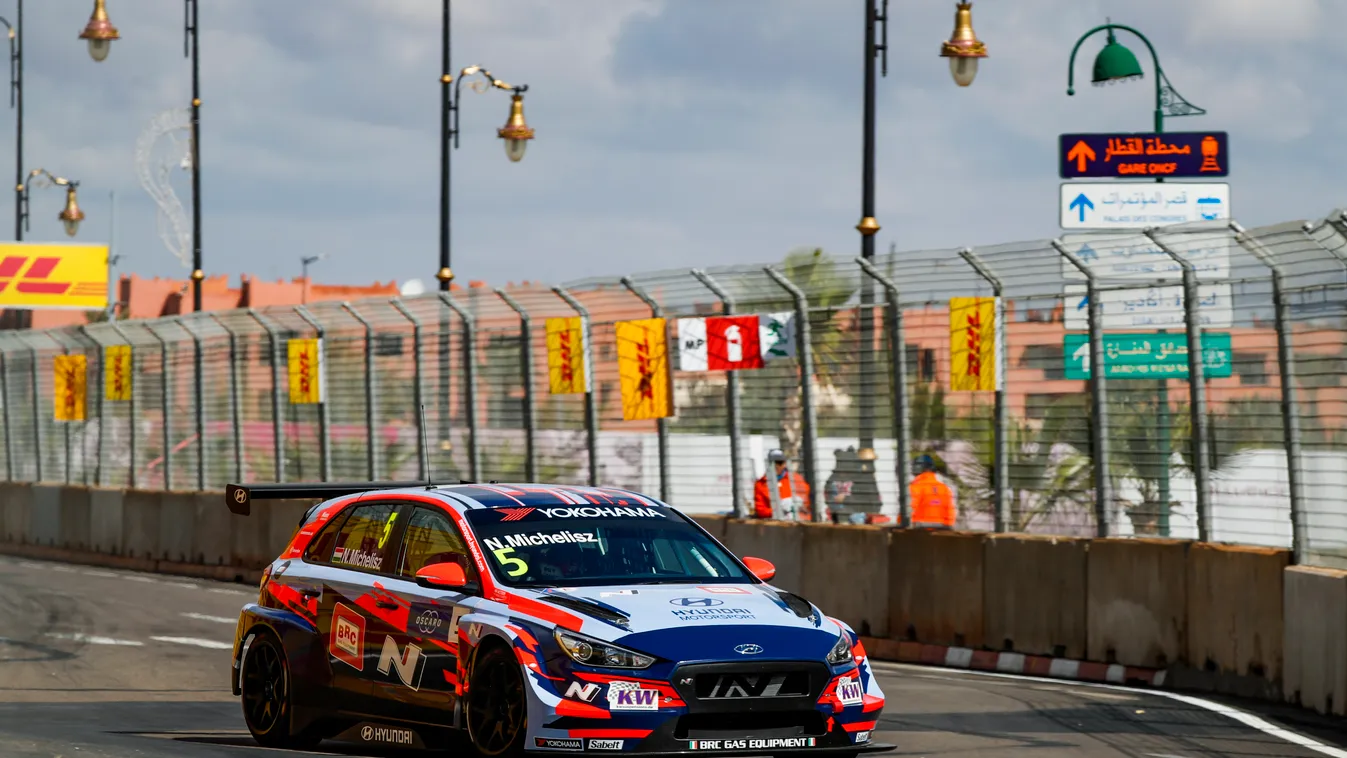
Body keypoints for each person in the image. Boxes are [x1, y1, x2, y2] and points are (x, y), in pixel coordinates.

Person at [753, 449, 811, 520]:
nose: (777, 466)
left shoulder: (796, 479)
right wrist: (779, 511)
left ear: (785, 463)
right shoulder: (761, 484)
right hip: (775, 523)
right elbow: (761, 510)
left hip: (799, 521)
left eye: (780, 462)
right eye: (773, 463)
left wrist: (799, 506)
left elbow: (809, 502)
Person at [909, 454, 955, 529]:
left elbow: (908, 511)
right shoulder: (945, 488)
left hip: (919, 533)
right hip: (941, 534)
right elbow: (950, 514)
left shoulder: (916, 487)